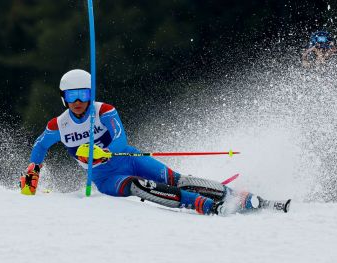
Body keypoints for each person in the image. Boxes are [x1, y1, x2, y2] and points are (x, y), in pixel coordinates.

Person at [20, 69, 290, 216]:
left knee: (175, 178)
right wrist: (34, 170)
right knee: (139, 187)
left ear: (91, 94)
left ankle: (239, 197)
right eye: (72, 95)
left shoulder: (104, 111)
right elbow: (41, 146)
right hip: (105, 178)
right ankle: (203, 205)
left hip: (130, 158)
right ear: (63, 97)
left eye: (83, 94)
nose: (78, 101)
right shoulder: (60, 125)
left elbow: (120, 139)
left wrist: (104, 151)